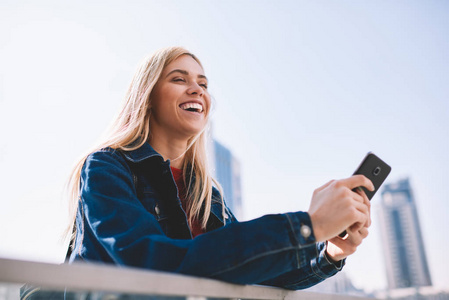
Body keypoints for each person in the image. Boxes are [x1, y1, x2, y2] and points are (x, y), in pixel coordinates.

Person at [65, 46, 374, 290]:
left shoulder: (206, 192)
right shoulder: (107, 167)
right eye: (179, 79)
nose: (197, 89)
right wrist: (310, 225)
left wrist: (330, 252)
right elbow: (155, 264)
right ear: (146, 97)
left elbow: (251, 269)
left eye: (203, 83)